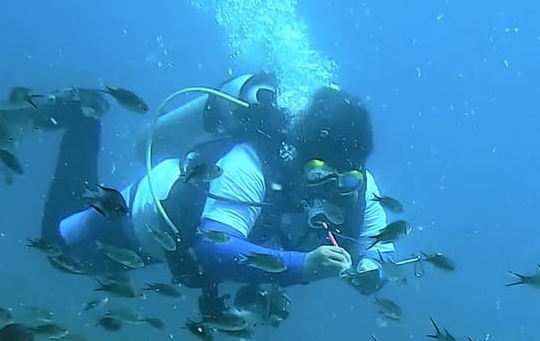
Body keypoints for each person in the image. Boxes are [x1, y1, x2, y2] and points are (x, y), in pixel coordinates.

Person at [38, 74, 401, 323]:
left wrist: (373, 272)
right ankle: (83, 120)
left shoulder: (360, 185)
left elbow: (379, 244)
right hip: (132, 222)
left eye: (348, 177)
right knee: (57, 248)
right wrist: (302, 267)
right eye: (319, 173)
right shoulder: (252, 164)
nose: (331, 186)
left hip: (160, 252)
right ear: (299, 155)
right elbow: (214, 249)